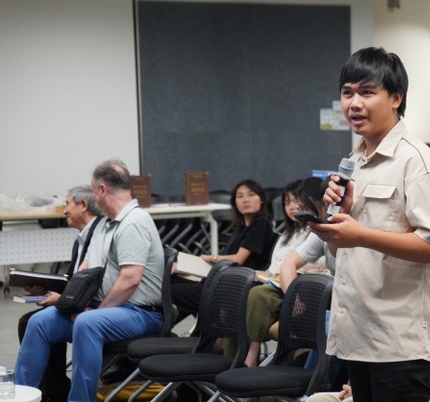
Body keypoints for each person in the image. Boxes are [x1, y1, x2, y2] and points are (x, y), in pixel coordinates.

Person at [309, 47, 430, 401]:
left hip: (399, 339)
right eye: (347, 93)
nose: (354, 104)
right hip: (359, 332)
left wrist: (361, 234)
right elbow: (346, 251)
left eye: (366, 92)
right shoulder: (356, 160)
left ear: (396, 98)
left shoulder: (419, 163)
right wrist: (337, 226)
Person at [15, 159, 165, 402]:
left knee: (87, 323)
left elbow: (130, 279)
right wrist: (71, 302)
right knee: (40, 322)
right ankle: (21, 395)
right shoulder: (104, 224)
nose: (93, 196)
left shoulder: (134, 222)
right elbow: (86, 270)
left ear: (102, 190)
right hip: (105, 308)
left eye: (93, 190)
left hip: (141, 313)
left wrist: (96, 311)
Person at [306, 271, 430, 402]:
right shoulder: (417, 280)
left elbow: (410, 367)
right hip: (405, 380)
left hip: (429, 392)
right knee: (315, 399)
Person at [16, 185, 103, 402]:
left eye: (67, 204)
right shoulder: (81, 240)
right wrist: (46, 290)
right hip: (79, 302)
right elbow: (75, 282)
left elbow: (92, 284)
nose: (64, 210)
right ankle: (50, 389)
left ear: (83, 205)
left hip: (92, 308)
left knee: (34, 322)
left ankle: (52, 392)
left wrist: (61, 300)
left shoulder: (99, 235)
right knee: (32, 320)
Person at [244, 177, 328, 367]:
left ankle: (250, 356)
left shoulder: (321, 230)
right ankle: (234, 354)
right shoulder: (290, 234)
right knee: (241, 288)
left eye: (299, 204)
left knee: (257, 294)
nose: (294, 208)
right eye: (287, 203)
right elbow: (284, 264)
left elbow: (317, 267)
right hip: (287, 284)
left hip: (312, 289)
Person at [171, 178, 276, 323]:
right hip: (222, 280)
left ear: (262, 199)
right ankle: (179, 329)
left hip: (236, 286)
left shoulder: (261, 223)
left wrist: (213, 258)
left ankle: (167, 328)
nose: (245, 200)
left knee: (170, 291)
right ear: (235, 202)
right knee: (171, 280)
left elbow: (238, 259)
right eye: (240, 196)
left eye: (251, 195)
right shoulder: (241, 227)